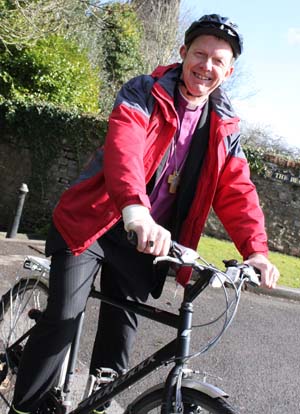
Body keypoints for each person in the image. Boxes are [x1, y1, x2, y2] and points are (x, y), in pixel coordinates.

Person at [9, 13, 279, 414]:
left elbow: (237, 189)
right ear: (183, 52)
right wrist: (136, 210)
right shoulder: (143, 91)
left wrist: (256, 251)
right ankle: (24, 408)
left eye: (218, 61)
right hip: (96, 224)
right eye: (199, 54)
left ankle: (98, 405)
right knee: (63, 319)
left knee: (120, 337)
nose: (207, 66)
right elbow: (125, 149)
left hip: (147, 239)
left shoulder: (226, 125)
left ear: (229, 70)